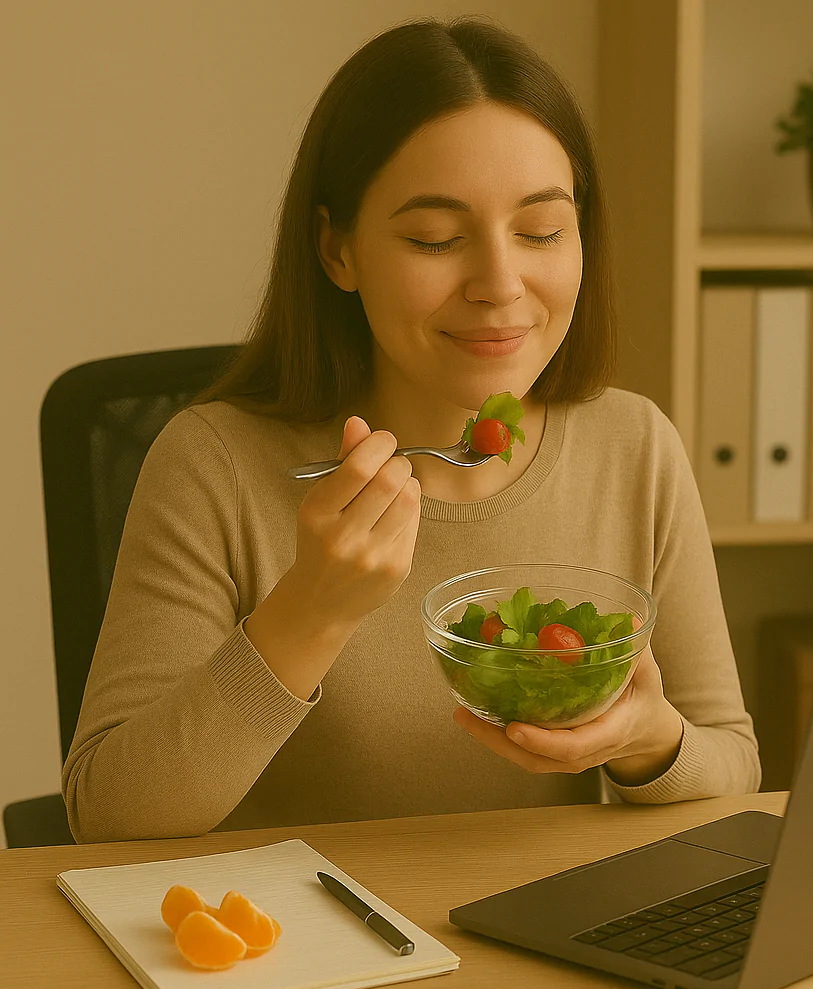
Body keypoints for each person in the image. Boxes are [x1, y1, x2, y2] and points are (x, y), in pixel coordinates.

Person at [61, 15, 760, 843]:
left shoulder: (634, 446)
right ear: (337, 250)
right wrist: (310, 612)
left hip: (540, 940)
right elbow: (108, 817)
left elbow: (733, 765)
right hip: (294, 953)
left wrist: (650, 741)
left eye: (541, 231)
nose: (501, 284)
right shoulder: (214, 465)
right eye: (435, 239)